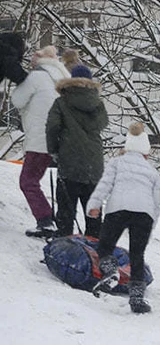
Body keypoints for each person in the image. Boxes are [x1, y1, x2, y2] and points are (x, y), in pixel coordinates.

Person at [86, 122, 160, 313]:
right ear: (146, 151)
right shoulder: (152, 171)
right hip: (144, 213)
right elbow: (156, 203)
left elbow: (104, 185)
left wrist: (94, 205)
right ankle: (137, 298)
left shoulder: (117, 163)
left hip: (118, 208)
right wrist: (151, 225)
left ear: (127, 146)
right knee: (137, 254)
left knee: (105, 245)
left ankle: (111, 272)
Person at [11, 45, 71, 237]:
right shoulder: (64, 78)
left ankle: (45, 221)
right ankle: (57, 221)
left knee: (28, 181)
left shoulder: (36, 76)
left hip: (39, 138)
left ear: (39, 59)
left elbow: (17, 100)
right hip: (60, 139)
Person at [45, 64, 108, 237]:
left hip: (69, 163)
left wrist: (54, 151)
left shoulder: (62, 102)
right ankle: (95, 254)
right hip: (94, 166)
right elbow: (102, 124)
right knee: (93, 213)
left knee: (66, 212)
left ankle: (65, 250)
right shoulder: (98, 104)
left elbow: (52, 127)